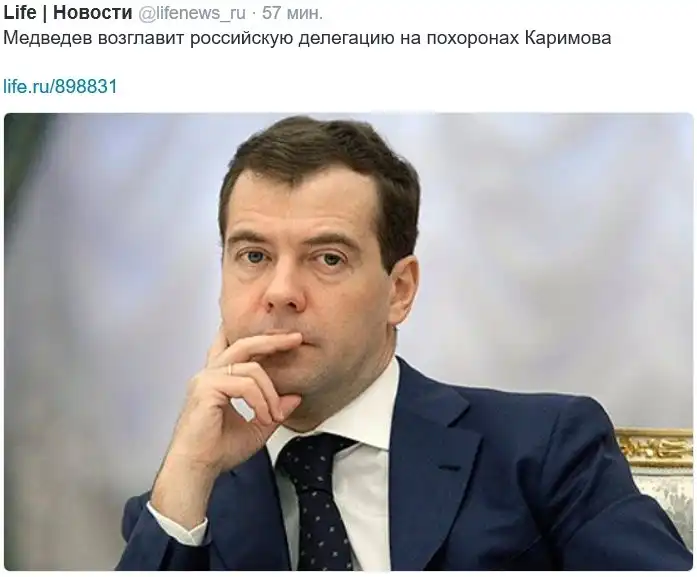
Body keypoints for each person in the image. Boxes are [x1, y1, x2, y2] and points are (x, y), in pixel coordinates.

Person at [116, 116, 692, 571]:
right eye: (253, 255)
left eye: (328, 258)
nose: (281, 292)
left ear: (399, 290)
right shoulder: (182, 505)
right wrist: (190, 468)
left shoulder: (543, 451)